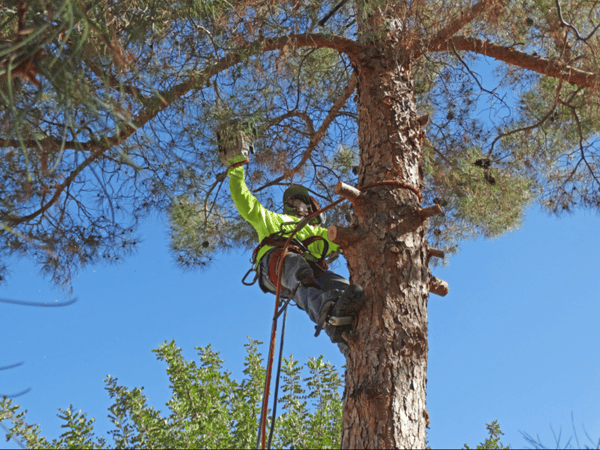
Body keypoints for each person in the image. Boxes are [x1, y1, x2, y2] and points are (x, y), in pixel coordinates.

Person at [221, 147, 365, 356]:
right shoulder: (272, 220)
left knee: (340, 284)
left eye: (303, 204)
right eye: (294, 202)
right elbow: (246, 203)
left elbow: (337, 241)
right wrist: (236, 169)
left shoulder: (315, 233)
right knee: (295, 265)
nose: (298, 207)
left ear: (312, 212)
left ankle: (351, 345)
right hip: (276, 263)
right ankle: (328, 314)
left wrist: (356, 232)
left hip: (307, 270)